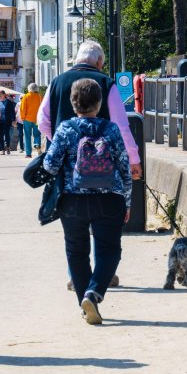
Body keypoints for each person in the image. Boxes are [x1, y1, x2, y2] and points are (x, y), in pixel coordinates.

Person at [42, 79, 132, 325]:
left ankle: (84, 300)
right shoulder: (111, 129)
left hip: (72, 200)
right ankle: (94, 293)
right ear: (100, 103)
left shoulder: (65, 129)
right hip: (109, 198)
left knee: (76, 251)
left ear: (73, 103)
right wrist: (127, 200)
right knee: (110, 251)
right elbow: (124, 166)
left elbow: (50, 166)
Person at [37, 40, 142, 182]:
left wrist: (62, 142)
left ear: (77, 58)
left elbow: (43, 121)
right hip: (101, 169)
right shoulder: (106, 83)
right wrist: (133, 158)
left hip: (66, 169)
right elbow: (121, 127)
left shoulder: (57, 82)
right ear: (99, 61)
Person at [19, 83, 43, 157]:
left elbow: (23, 108)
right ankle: (37, 144)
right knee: (37, 134)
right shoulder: (40, 97)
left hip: (27, 119)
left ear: (29, 88)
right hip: (37, 119)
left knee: (27, 136)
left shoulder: (26, 96)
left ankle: (28, 153)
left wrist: (22, 117)